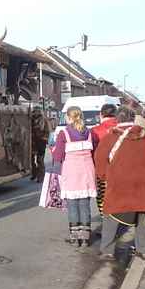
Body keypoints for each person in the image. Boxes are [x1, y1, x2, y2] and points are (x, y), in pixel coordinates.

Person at [95, 106, 145, 260]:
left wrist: (105, 177)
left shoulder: (110, 138)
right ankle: (143, 250)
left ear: (117, 120)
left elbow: (100, 160)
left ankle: (107, 250)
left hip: (121, 183)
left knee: (111, 216)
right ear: (133, 119)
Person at [52, 106, 97, 247]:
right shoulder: (90, 133)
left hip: (71, 172)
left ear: (69, 117)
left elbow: (58, 156)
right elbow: (95, 153)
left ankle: (74, 238)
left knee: (72, 206)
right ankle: (85, 238)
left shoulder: (64, 134)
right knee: (84, 205)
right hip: (87, 171)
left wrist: (52, 150)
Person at [90, 104, 118, 216]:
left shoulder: (95, 131)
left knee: (102, 195)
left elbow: (91, 151)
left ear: (101, 114)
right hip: (121, 168)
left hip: (101, 169)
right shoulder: (122, 128)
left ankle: (106, 219)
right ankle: (119, 220)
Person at [30, 107, 51, 181]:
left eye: (37, 111)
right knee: (31, 159)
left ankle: (41, 176)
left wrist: (44, 139)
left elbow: (48, 131)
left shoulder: (44, 120)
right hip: (32, 142)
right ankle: (34, 173)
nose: (35, 113)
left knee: (40, 159)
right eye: (34, 111)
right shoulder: (30, 120)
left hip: (41, 142)